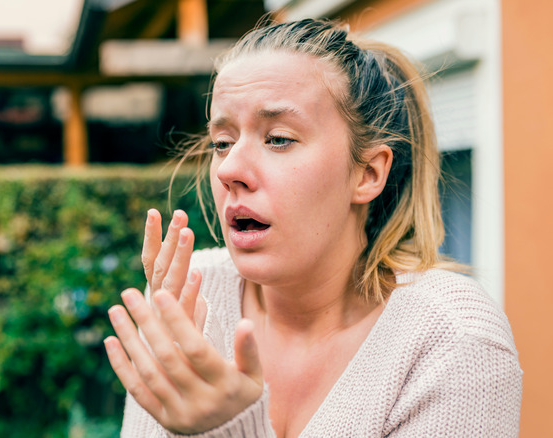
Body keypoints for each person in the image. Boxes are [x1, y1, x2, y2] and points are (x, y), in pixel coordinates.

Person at [103, 18, 522, 437]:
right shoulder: (189, 295)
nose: (229, 169)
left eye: (279, 138)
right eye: (222, 142)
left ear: (368, 174)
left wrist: (228, 429)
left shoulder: (453, 340)